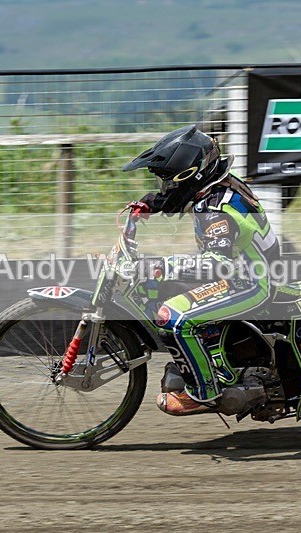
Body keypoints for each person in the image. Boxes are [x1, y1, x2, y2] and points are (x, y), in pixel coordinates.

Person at [123, 125, 280, 416]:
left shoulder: (214, 210)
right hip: (242, 273)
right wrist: (151, 202)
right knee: (170, 291)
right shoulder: (217, 186)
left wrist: (159, 266)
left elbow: (215, 264)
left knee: (173, 317)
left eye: (168, 181)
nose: (166, 187)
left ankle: (203, 393)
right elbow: (180, 196)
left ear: (189, 175)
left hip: (248, 282)